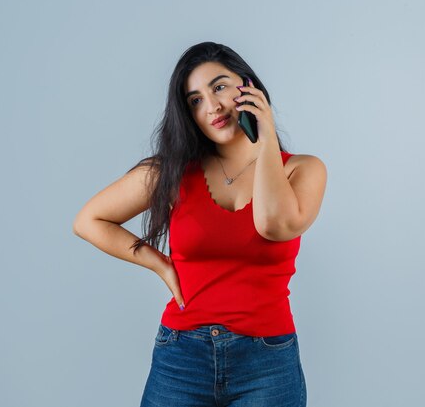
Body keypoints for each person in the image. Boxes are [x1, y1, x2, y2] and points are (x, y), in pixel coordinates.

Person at [73, 41, 327, 407]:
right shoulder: (172, 172)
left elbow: (274, 225)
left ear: (248, 86)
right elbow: (89, 220)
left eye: (219, 86)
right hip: (181, 356)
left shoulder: (301, 170)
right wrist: (159, 264)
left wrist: (266, 134)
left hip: (267, 361)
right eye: (195, 100)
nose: (212, 106)